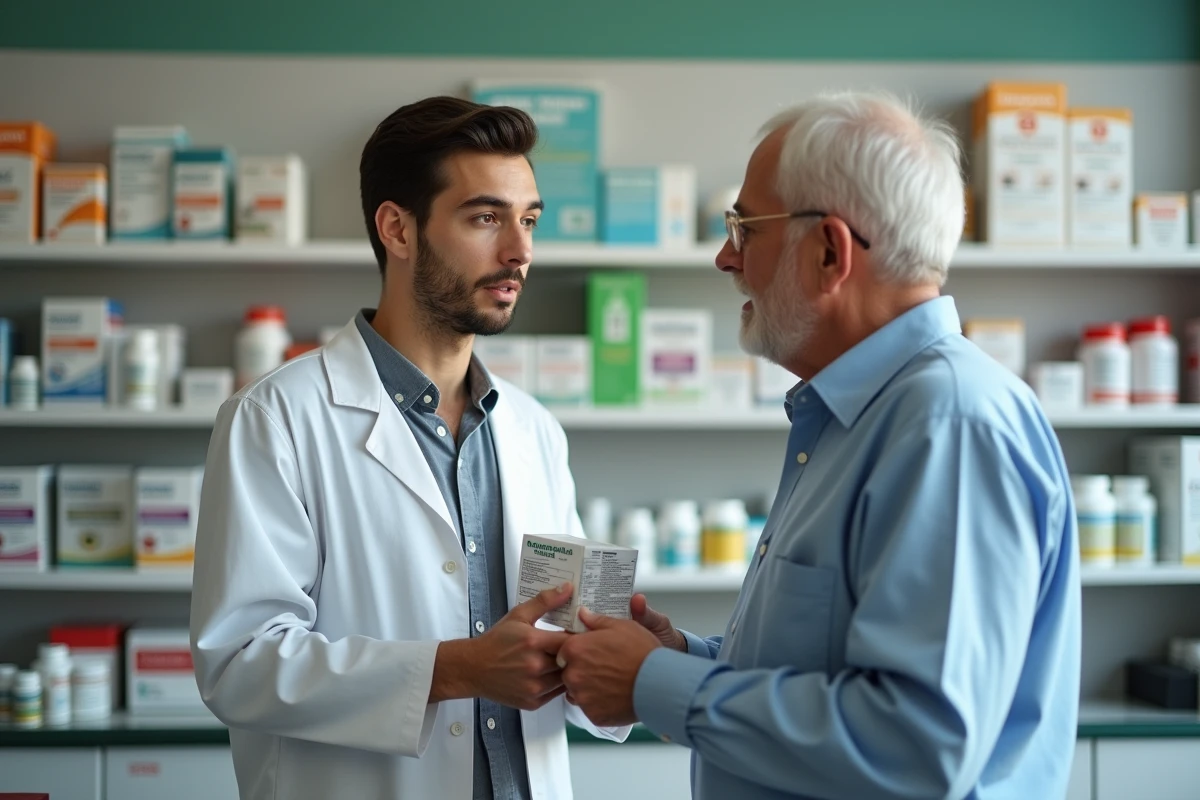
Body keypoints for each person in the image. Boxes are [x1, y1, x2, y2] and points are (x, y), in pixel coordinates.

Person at [556, 91, 1081, 799]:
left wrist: (654, 685)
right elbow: (833, 675)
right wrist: (679, 658)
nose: (723, 257)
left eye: (744, 228)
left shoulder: (947, 424)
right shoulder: (853, 419)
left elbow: (917, 747)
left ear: (829, 251)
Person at [190, 96, 628, 800]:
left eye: (529, 219)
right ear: (397, 227)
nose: (520, 250)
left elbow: (553, 623)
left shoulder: (532, 429)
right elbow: (239, 665)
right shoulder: (277, 417)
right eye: (486, 217)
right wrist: (457, 669)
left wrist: (615, 657)